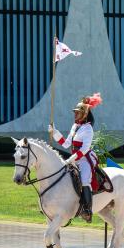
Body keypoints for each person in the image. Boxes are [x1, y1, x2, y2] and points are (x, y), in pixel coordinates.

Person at [49, 93, 102, 222]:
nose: (75, 114)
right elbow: (67, 143)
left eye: (77, 113)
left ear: (84, 114)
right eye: (75, 112)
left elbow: (84, 149)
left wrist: (72, 159)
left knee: (84, 180)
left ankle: (87, 210)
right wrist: (55, 132)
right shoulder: (75, 126)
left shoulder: (88, 129)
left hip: (85, 158)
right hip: (74, 157)